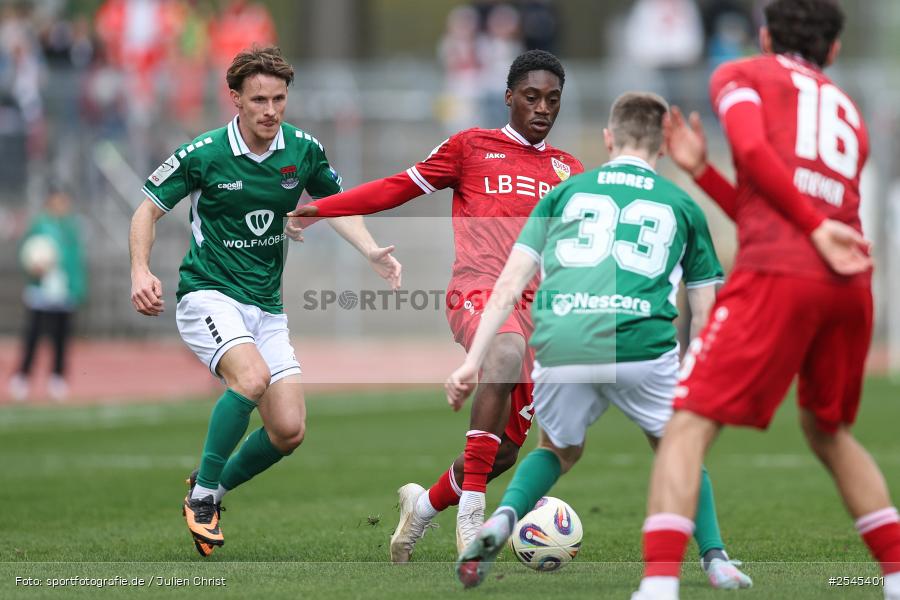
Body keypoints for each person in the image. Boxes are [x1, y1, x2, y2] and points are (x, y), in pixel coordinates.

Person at [632, 2, 900, 600]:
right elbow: (769, 211)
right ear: (832, 51)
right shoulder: (848, 111)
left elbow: (754, 155)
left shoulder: (743, 74)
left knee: (687, 426)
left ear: (763, 35)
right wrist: (703, 173)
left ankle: (656, 588)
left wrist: (807, 225)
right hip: (849, 282)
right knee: (828, 430)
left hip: (783, 273)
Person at [445, 92, 750, 590]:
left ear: (609, 140)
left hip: (562, 340)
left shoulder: (564, 193)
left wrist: (471, 362)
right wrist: (701, 367)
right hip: (639, 343)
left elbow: (508, 282)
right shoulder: (681, 204)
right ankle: (715, 558)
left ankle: (501, 521)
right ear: (664, 148)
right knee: (679, 448)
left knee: (558, 450)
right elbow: (703, 307)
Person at [290, 50, 584, 559]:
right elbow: (396, 188)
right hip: (478, 289)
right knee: (504, 352)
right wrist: (320, 209)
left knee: (507, 450)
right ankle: (472, 514)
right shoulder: (471, 147)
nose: (542, 108)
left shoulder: (569, 169)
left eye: (552, 100)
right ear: (508, 97)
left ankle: (422, 507)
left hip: (538, 313)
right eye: (531, 97)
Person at [129, 46, 401, 557]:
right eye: (259, 99)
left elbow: (336, 204)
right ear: (235, 99)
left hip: (265, 306)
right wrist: (140, 270)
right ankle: (204, 497)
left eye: (279, 98)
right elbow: (146, 210)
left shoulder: (302, 149)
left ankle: (208, 488)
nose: (271, 110)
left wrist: (370, 251)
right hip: (208, 294)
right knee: (250, 379)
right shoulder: (204, 153)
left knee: (289, 430)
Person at [9, 189, 86, 402]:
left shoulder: (71, 227)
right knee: (33, 336)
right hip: (41, 291)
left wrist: (77, 288)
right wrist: (33, 268)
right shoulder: (39, 225)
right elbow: (25, 251)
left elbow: (76, 260)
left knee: (61, 338)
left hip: (64, 292)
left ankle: (57, 378)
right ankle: (22, 377)